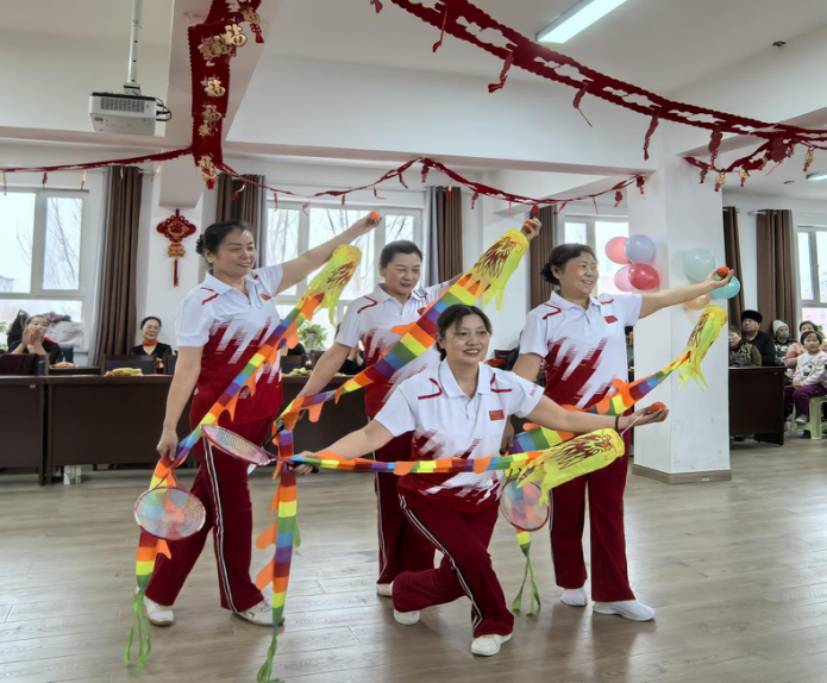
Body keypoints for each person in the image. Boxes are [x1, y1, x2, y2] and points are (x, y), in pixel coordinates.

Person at [298, 305, 668, 657]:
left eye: (481, 332)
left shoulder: (505, 384)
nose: (473, 340)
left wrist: (624, 421)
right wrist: (322, 455)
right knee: (473, 558)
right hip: (428, 496)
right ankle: (495, 622)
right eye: (461, 334)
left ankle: (407, 590)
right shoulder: (417, 388)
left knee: (460, 571)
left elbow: (564, 419)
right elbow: (370, 436)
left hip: (482, 497)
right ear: (441, 340)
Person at [142, 214, 379, 628]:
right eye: (235, 249)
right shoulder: (200, 301)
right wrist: (169, 426)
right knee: (235, 510)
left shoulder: (261, 283)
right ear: (210, 254)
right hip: (219, 422)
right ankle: (242, 597)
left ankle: (158, 590)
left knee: (208, 506)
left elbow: (311, 258)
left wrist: (356, 232)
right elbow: (188, 368)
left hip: (264, 413)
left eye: (250, 247)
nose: (246, 255)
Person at [293, 220, 541, 596]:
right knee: (393, 497)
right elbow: (335, 356)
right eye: (400, 269)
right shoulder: (364, 308)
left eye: (415, 269)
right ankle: (392, 574)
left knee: (430, 495)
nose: (409, 276)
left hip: (438, 416)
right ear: (382, 270)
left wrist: (518, 239)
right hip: (387, 416)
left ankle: (422, 577)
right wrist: (305, 399)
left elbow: (477, 274)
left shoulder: (434, 300)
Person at [512, 243, 734, 622]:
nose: (590, 272)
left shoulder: (613, 305)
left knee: (609, 507)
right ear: (556, 272)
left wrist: (707, 286)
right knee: (566, 507)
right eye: (581, 266)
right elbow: (525, 372)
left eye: (593, 266)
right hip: (564, 424)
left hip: (616, 423)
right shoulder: (542, 317)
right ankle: (571, 582)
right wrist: (500, 412)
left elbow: (663, 298)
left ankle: (613, 593)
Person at [784, 330, 827, 425]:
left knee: (800, 392)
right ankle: (788, 413)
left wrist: (802, 384)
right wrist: (796, 381)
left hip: (821, 386)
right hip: (806, 384)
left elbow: (820, 375)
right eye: (808, 341)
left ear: (819, 342)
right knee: (786, 390)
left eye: (815, 340)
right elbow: (799, 372)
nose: (812, 343)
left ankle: (804, 415)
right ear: (803, 344)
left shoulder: (824, 357)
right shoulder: (801, 358)